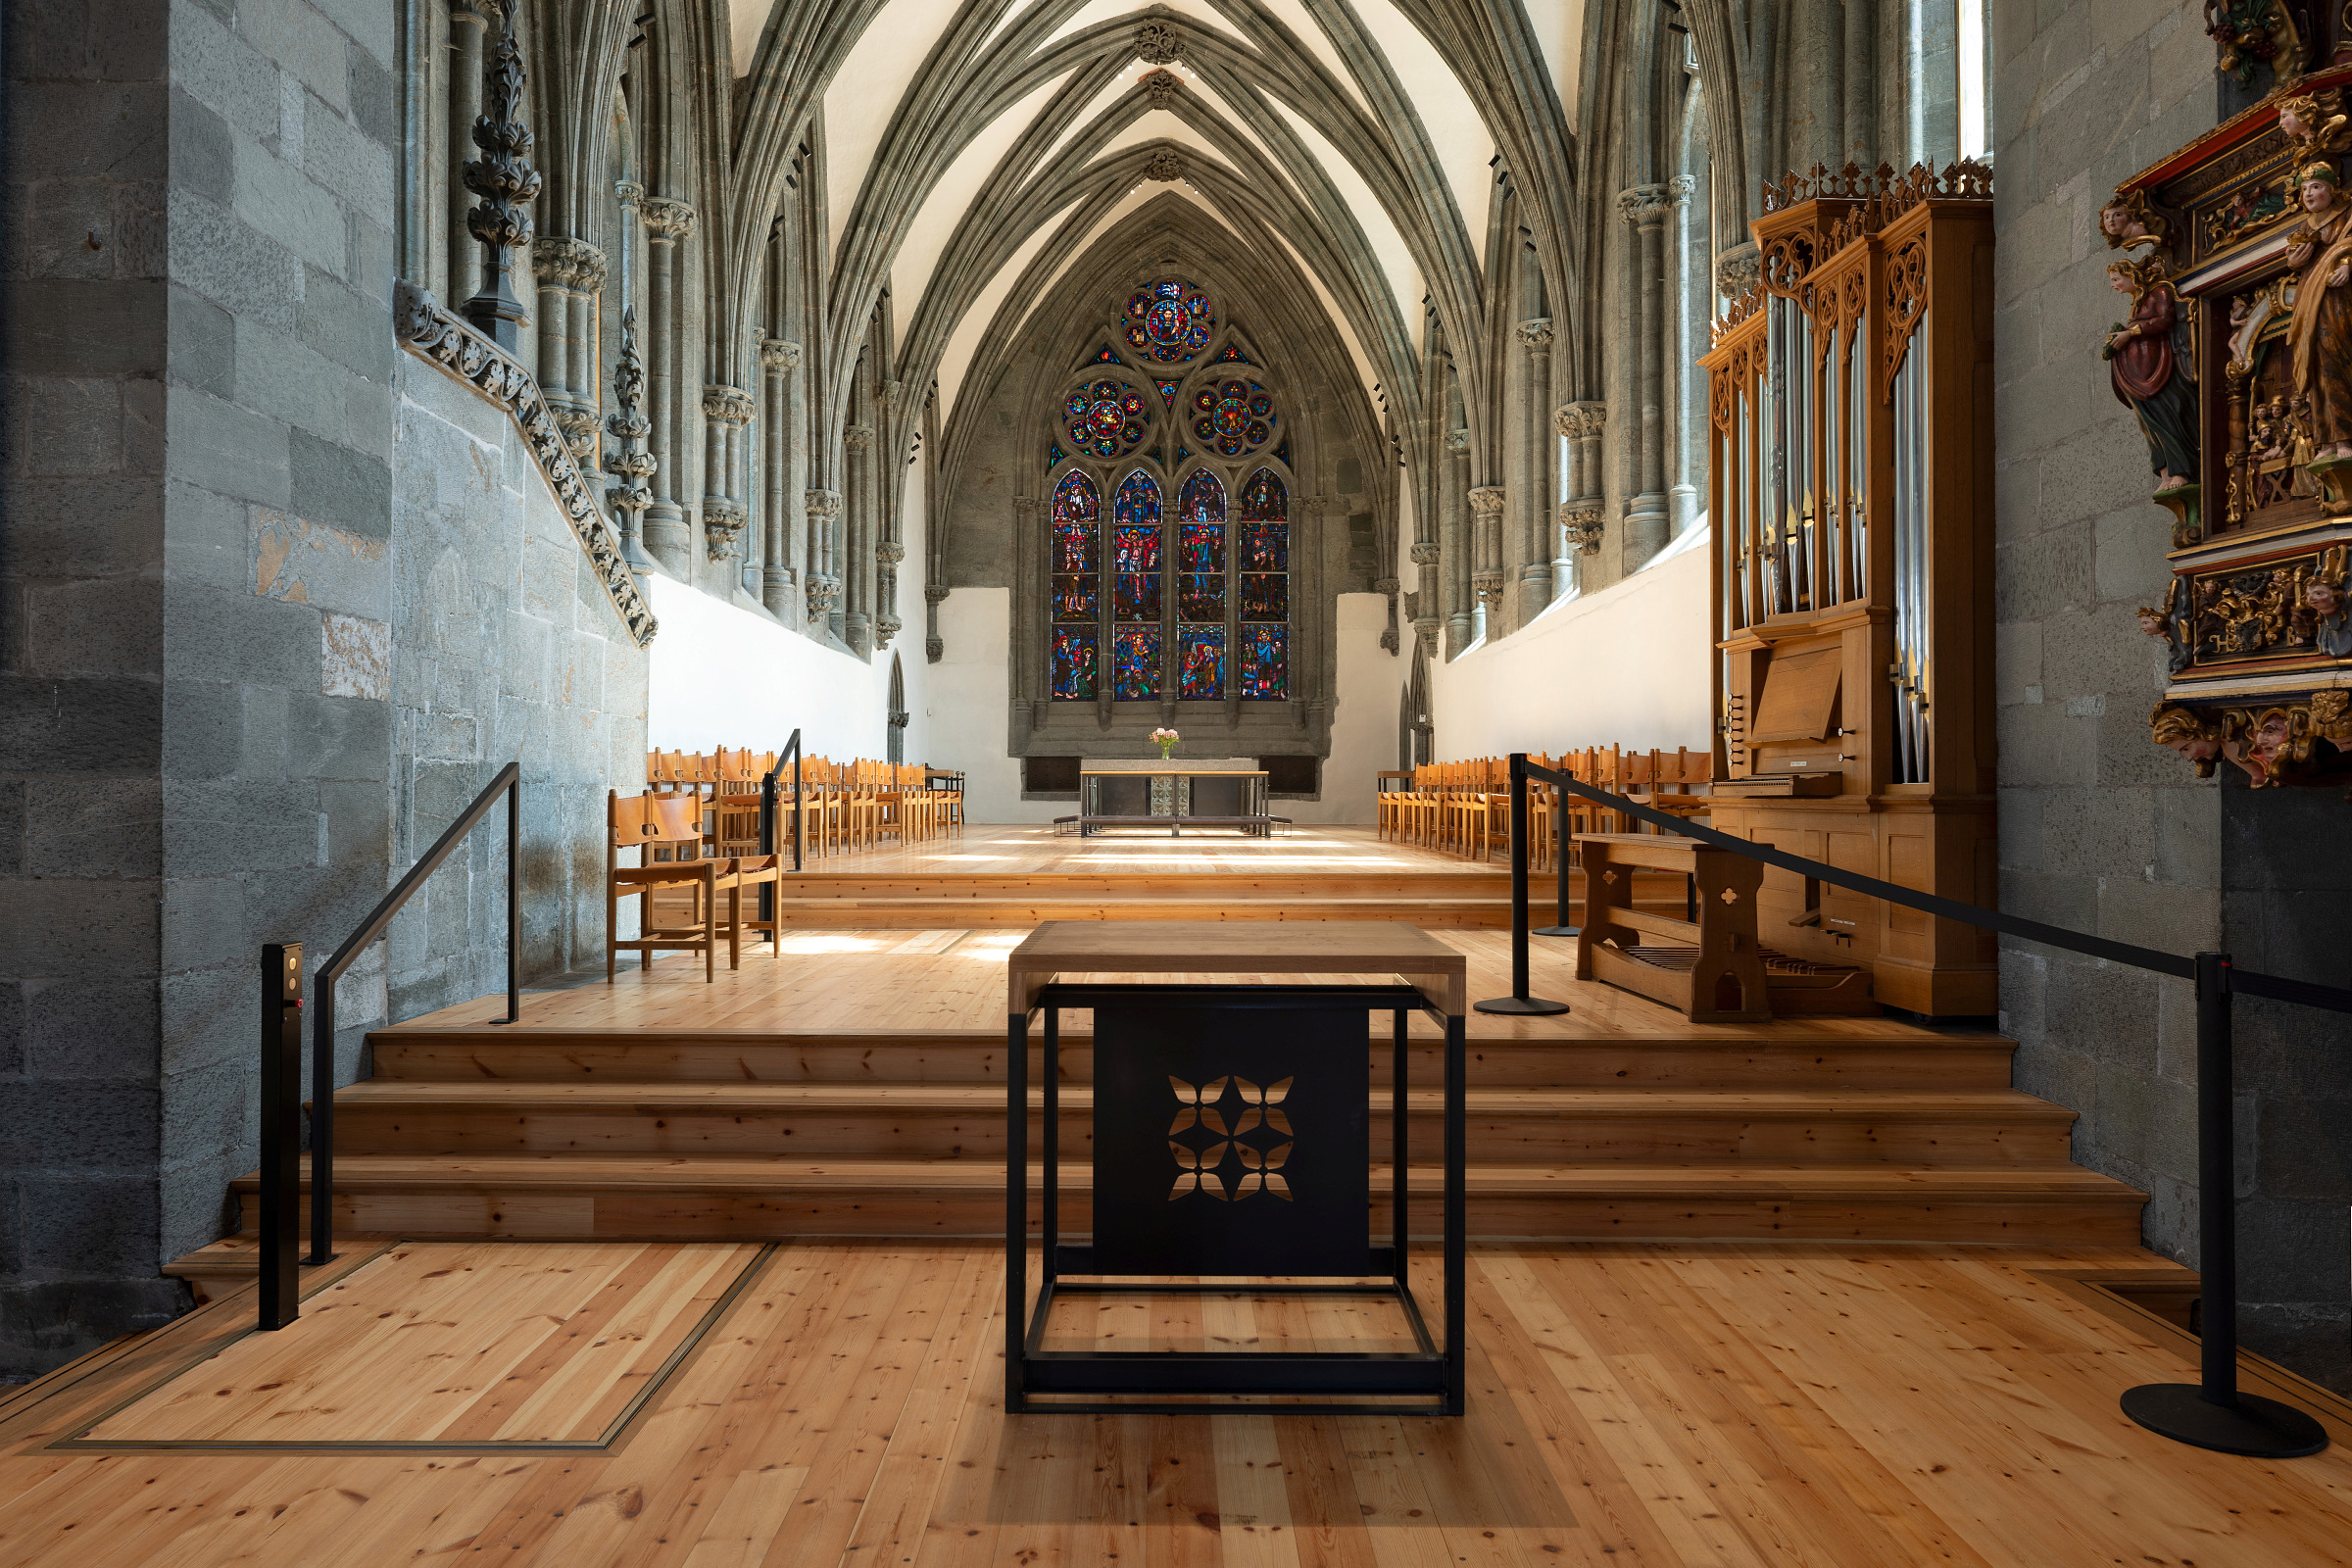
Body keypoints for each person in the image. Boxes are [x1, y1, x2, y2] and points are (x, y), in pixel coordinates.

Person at [2102, 260, 2198, 490]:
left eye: (2116, 279)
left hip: (2160, 367)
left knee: (2167, 414)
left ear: (2131, 276)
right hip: (2139, 370)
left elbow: (2165, 320)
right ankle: (2165, 471)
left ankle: (2181, 470)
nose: (2113, 285)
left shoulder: (2160, 292)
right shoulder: (2138, 301)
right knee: (2150, 423)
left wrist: (2131, 332)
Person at [2284, 161, 2352, 460]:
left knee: (2337, 359)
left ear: (2332, 190)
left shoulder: (2346, 216)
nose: (2309, 194)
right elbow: (2294, 260)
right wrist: (2296, 261)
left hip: (2338, 299)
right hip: (2310, 299)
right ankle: (2326, 441)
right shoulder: (2304, 226)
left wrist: (2349, 264)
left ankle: (2345, 437)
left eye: (2316, 187)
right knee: (2316, 364)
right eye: (2304, 189)